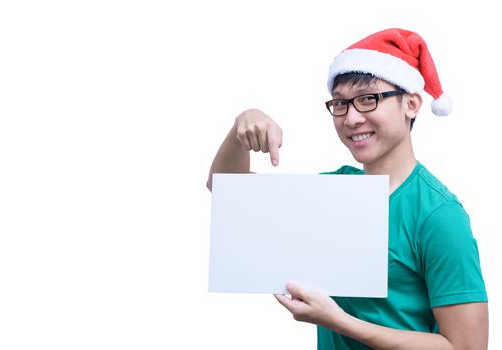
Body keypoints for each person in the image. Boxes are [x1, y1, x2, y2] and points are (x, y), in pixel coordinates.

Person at [206, 28, 488, 349]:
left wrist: (338, 320)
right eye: (340, 103)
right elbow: (226, 193)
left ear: (411, 104)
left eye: (369, 99)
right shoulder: (334, 194)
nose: (352, 118)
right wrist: (240, 126)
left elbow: (467, 346)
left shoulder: (438, 215)